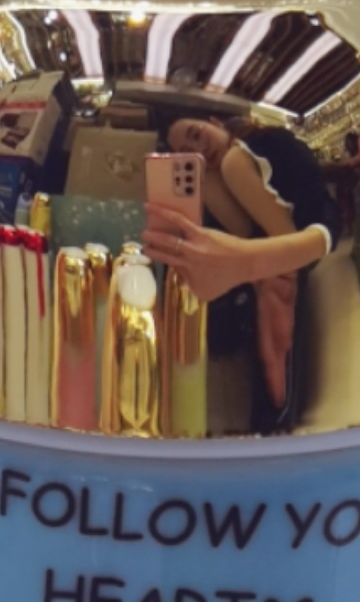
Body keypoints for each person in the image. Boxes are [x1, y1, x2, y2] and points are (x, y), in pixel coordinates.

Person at [140, 117, 341, 426]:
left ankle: (276, 412)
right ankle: (272, 412)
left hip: (302, 241)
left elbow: (312, 204)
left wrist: (254, 262)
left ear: (215, 123)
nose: (199, 149)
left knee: (231, 164)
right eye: (186, 151)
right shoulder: (218, 178)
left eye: (197, 134)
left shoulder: (257, 147)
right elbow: (246, 233)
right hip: (278, 260)